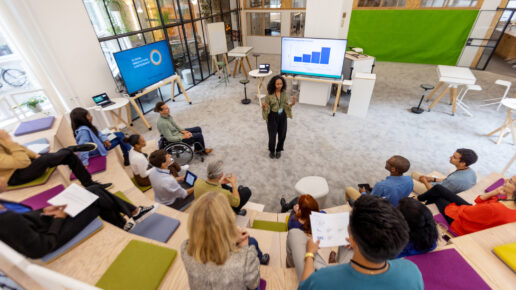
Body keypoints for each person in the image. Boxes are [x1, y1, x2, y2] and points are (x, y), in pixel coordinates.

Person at [0, 178, 156, 258]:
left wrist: (44, 210)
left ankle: (130, 217)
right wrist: (59, 218)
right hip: (51, 236)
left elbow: (25, 217)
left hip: (45, 221)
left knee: (94, 189)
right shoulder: (6, 219)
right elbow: (40, 248)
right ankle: (130, 216)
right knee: (97, 201)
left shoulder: (2, 203)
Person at [298, 195, 423, 290]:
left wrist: (310, 254)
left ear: (352, 240)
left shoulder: (322, 279)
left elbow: (304, 286)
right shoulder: (412, 271)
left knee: (295, 235)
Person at [181, 192, 269, 290]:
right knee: (252, 242)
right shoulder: (244, 260)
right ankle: (259, 261)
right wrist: (245, 247)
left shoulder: (185, 248)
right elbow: (254, 284)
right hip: (243, 271)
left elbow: (207, 235)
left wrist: (228, 235)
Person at [0, 129, 108, 189]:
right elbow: (22, 162)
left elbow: (21, 149)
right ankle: (68, 149)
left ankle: (88, 183)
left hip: (22, 164)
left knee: (68, 155)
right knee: (48, 159)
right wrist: (9, 142)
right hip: (14, 176)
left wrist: (35, 156)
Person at [417, 182, 516, 236]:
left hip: (464, 225)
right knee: (438, 188)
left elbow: (466, 213)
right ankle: (418, 200)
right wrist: (494, 192)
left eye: (510, 181)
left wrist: (455, 205)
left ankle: (417, 210)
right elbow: (478, 201)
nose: (506, 180)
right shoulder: (508, 199)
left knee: (437, 197)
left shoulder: (496, 208)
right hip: (475, 213)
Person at [345, 155, 413, 206]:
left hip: (379, 210)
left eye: (388, 162)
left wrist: (363, 193)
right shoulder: (410, 180)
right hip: (396, 207)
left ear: (393, 169)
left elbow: (369, 201)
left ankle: (354, 209)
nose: (386, 161)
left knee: (349, 189)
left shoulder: (381, 185)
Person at [412, 148, 478, 195]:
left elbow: (435, 192)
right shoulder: (471, 172)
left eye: (454, 157)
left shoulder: (454, 180)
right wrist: (433, 179)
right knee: (414, 173)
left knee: (409, 180)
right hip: (443, 187)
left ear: (463, 163)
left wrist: (425, 181)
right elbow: (447, 181)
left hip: (435, 193)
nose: (450, 157)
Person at [261, 75, 295, 159]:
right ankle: (272, 150)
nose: (280, 85)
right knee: (272, 136)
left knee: (282, 134)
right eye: (277, 84)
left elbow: (285, 105)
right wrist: (264, 108)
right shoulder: (269, 95)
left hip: (282, 116)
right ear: (273, 84)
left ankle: (279, 149)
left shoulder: (284, 94)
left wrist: (292, 104)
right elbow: (267, 106)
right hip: (273, 116)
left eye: (281, 84)